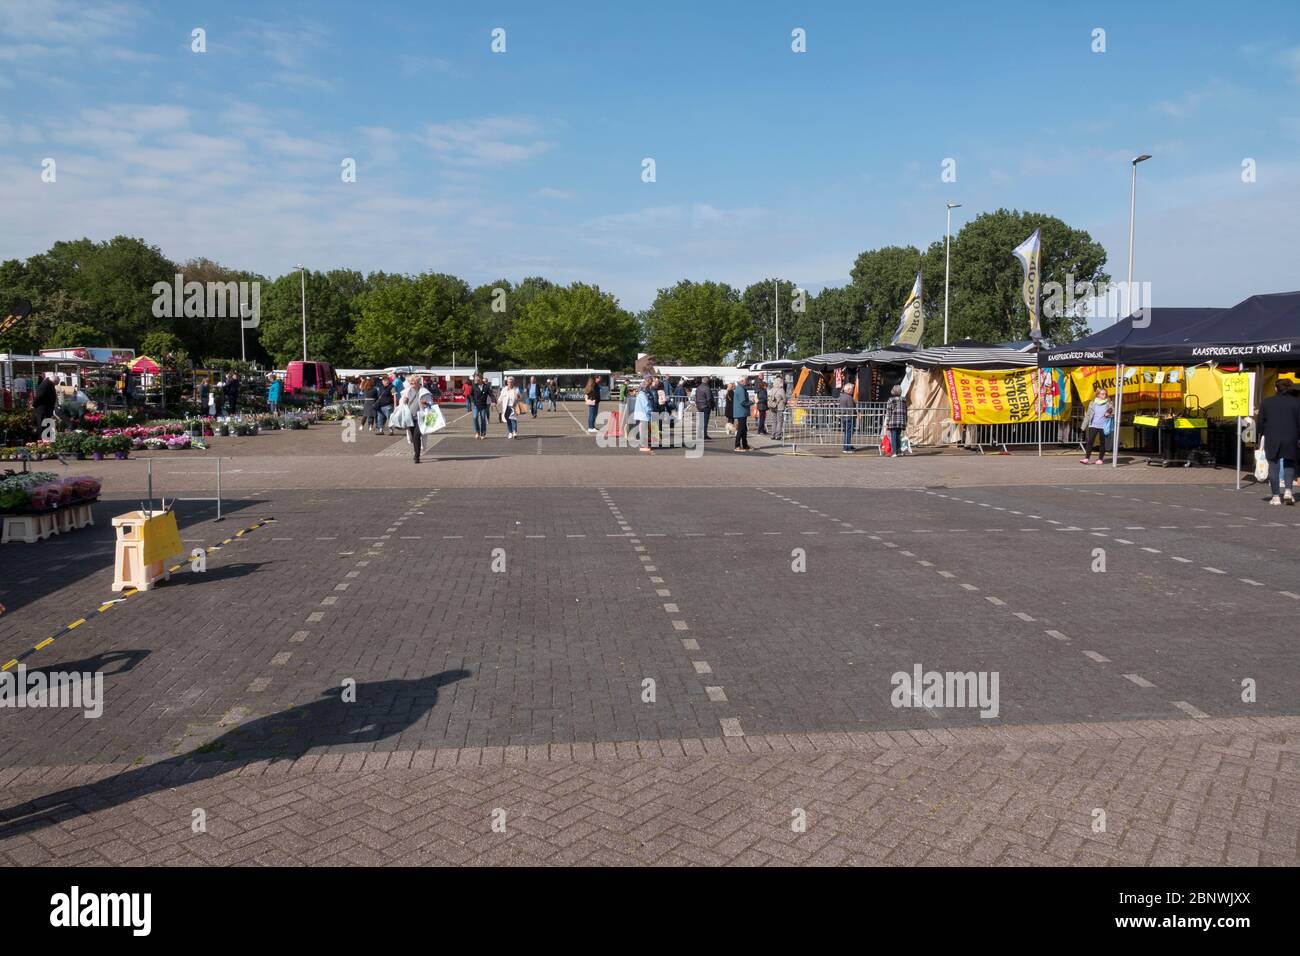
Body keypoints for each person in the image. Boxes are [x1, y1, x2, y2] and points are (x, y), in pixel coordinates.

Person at [1257, 376, 1300, 505]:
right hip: (1291, 437)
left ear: (1276, 388)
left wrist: (1261, 433)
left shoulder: (1266, 402)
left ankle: (1276, 496)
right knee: (1289, 463)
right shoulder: (1297, 402)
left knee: (1273, 466)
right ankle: (1288, 490)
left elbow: (1260, 422)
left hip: (1272, 437)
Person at [395, 375, 433, 463]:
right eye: (410, 381)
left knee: (417, 436)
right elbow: (401, 403)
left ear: (418, 382)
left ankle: (417, 456)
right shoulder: (407, 391)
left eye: (413, 381)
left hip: (420, 417)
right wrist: (403, 401)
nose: (411, 383)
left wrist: (426, 403)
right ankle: (416, 452)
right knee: (413, 437)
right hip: (409, 417)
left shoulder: (424, 392)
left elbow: (431, 403)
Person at [1080, 388, 1113, 464]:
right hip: (1093, 425)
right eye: (1102, 394)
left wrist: (1109, 412)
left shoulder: (1109, 402)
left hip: (1103, 425)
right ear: (1098, 394)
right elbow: (1088, 415)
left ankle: (1100, 459)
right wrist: (1083, 426)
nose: (1104, 395)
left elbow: (1113, 410)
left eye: (1105, 394)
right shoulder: (1092, 402)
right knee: (1090, 441)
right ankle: (1086, 458)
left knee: (1102, 442)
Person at [884, 384, 909, 458]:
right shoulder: (904, 400)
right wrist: (906, 421)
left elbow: (889, 412)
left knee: (893, 437)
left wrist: (887, 422)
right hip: (901, 421)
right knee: (898, 436)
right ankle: (899, 451)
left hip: (893, 420)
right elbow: (906, 411)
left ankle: (894, 452)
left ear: (893, 391)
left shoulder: (891, 400)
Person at [633, 375, 654, 454]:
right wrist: (650, 411)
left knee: (642, 430)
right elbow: (646, 406)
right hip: (644, 414)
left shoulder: (641, 393)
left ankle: (643, 445)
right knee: (644, 431)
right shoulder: (642, 394)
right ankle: (644, 446)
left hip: (641, 414)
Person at [470, 373, 493, 439]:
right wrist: (472, 401)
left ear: (480, 378)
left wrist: (494, 401)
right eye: (475, 378)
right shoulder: (474, 386)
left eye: (477, 378)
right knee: (475, 417)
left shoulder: (486, 386)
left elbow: (491, 394)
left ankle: (483, 434)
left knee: (483, 419)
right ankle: (477, 432)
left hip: (483, 405)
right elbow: (471, 394)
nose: (476, 379)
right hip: (476, 405)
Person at [732, 379, 752, 452]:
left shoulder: (740, 388)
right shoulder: (741, 389)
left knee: (743, 429)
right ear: (742, 381)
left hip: (741, 412)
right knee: (741, 429)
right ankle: (737, 446)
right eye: (746, 380)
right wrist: (751, 402)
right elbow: (743, 402)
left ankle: (745, 445)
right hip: (741, 412)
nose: (747, 382)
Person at [839, 382, 856, 453]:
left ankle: (847, 445)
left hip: (844, 416)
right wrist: (855, 414)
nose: (852, 391)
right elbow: (851, 408)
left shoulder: (842, 396)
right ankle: (846, 448)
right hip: (849, 417)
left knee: (847, 432)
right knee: (849, 432)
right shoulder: (849, 397)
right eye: (852, 389)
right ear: (848, 390)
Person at [769, 376, 786, 442]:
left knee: (774, 421)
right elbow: (784, 399)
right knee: (779, 421)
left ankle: (773, 435)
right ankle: (778, 435)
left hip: (773, 407)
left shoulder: (772, 389)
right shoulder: (781, 390)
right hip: (780, 407)